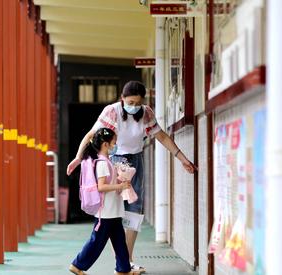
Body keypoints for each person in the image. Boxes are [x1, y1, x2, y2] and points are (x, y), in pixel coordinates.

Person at [67, 81, 197, 273]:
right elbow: (91, 135)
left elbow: (161, 136)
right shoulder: (111, 111)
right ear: (122, 99)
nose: (134, 106)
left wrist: (182, 158)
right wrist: (78, 158)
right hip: (114, 159)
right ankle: (123, 264)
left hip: (136, 160)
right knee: (113, 212)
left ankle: (126, 261)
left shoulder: (146, 113)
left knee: (135, 209)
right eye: (130, 102)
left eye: (138, 102)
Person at [69, 127, 136, 275]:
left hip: (112, 210)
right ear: (105, 144)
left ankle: (123, 269)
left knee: (119, 241)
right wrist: (120, 185)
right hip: (106, 212)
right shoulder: (102, 163)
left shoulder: (107, 161)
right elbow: (101, 187)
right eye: (114, 143)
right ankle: (77, 265)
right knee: (96, 242)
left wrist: (120, 181)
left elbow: (108, 183)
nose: (115, 146)